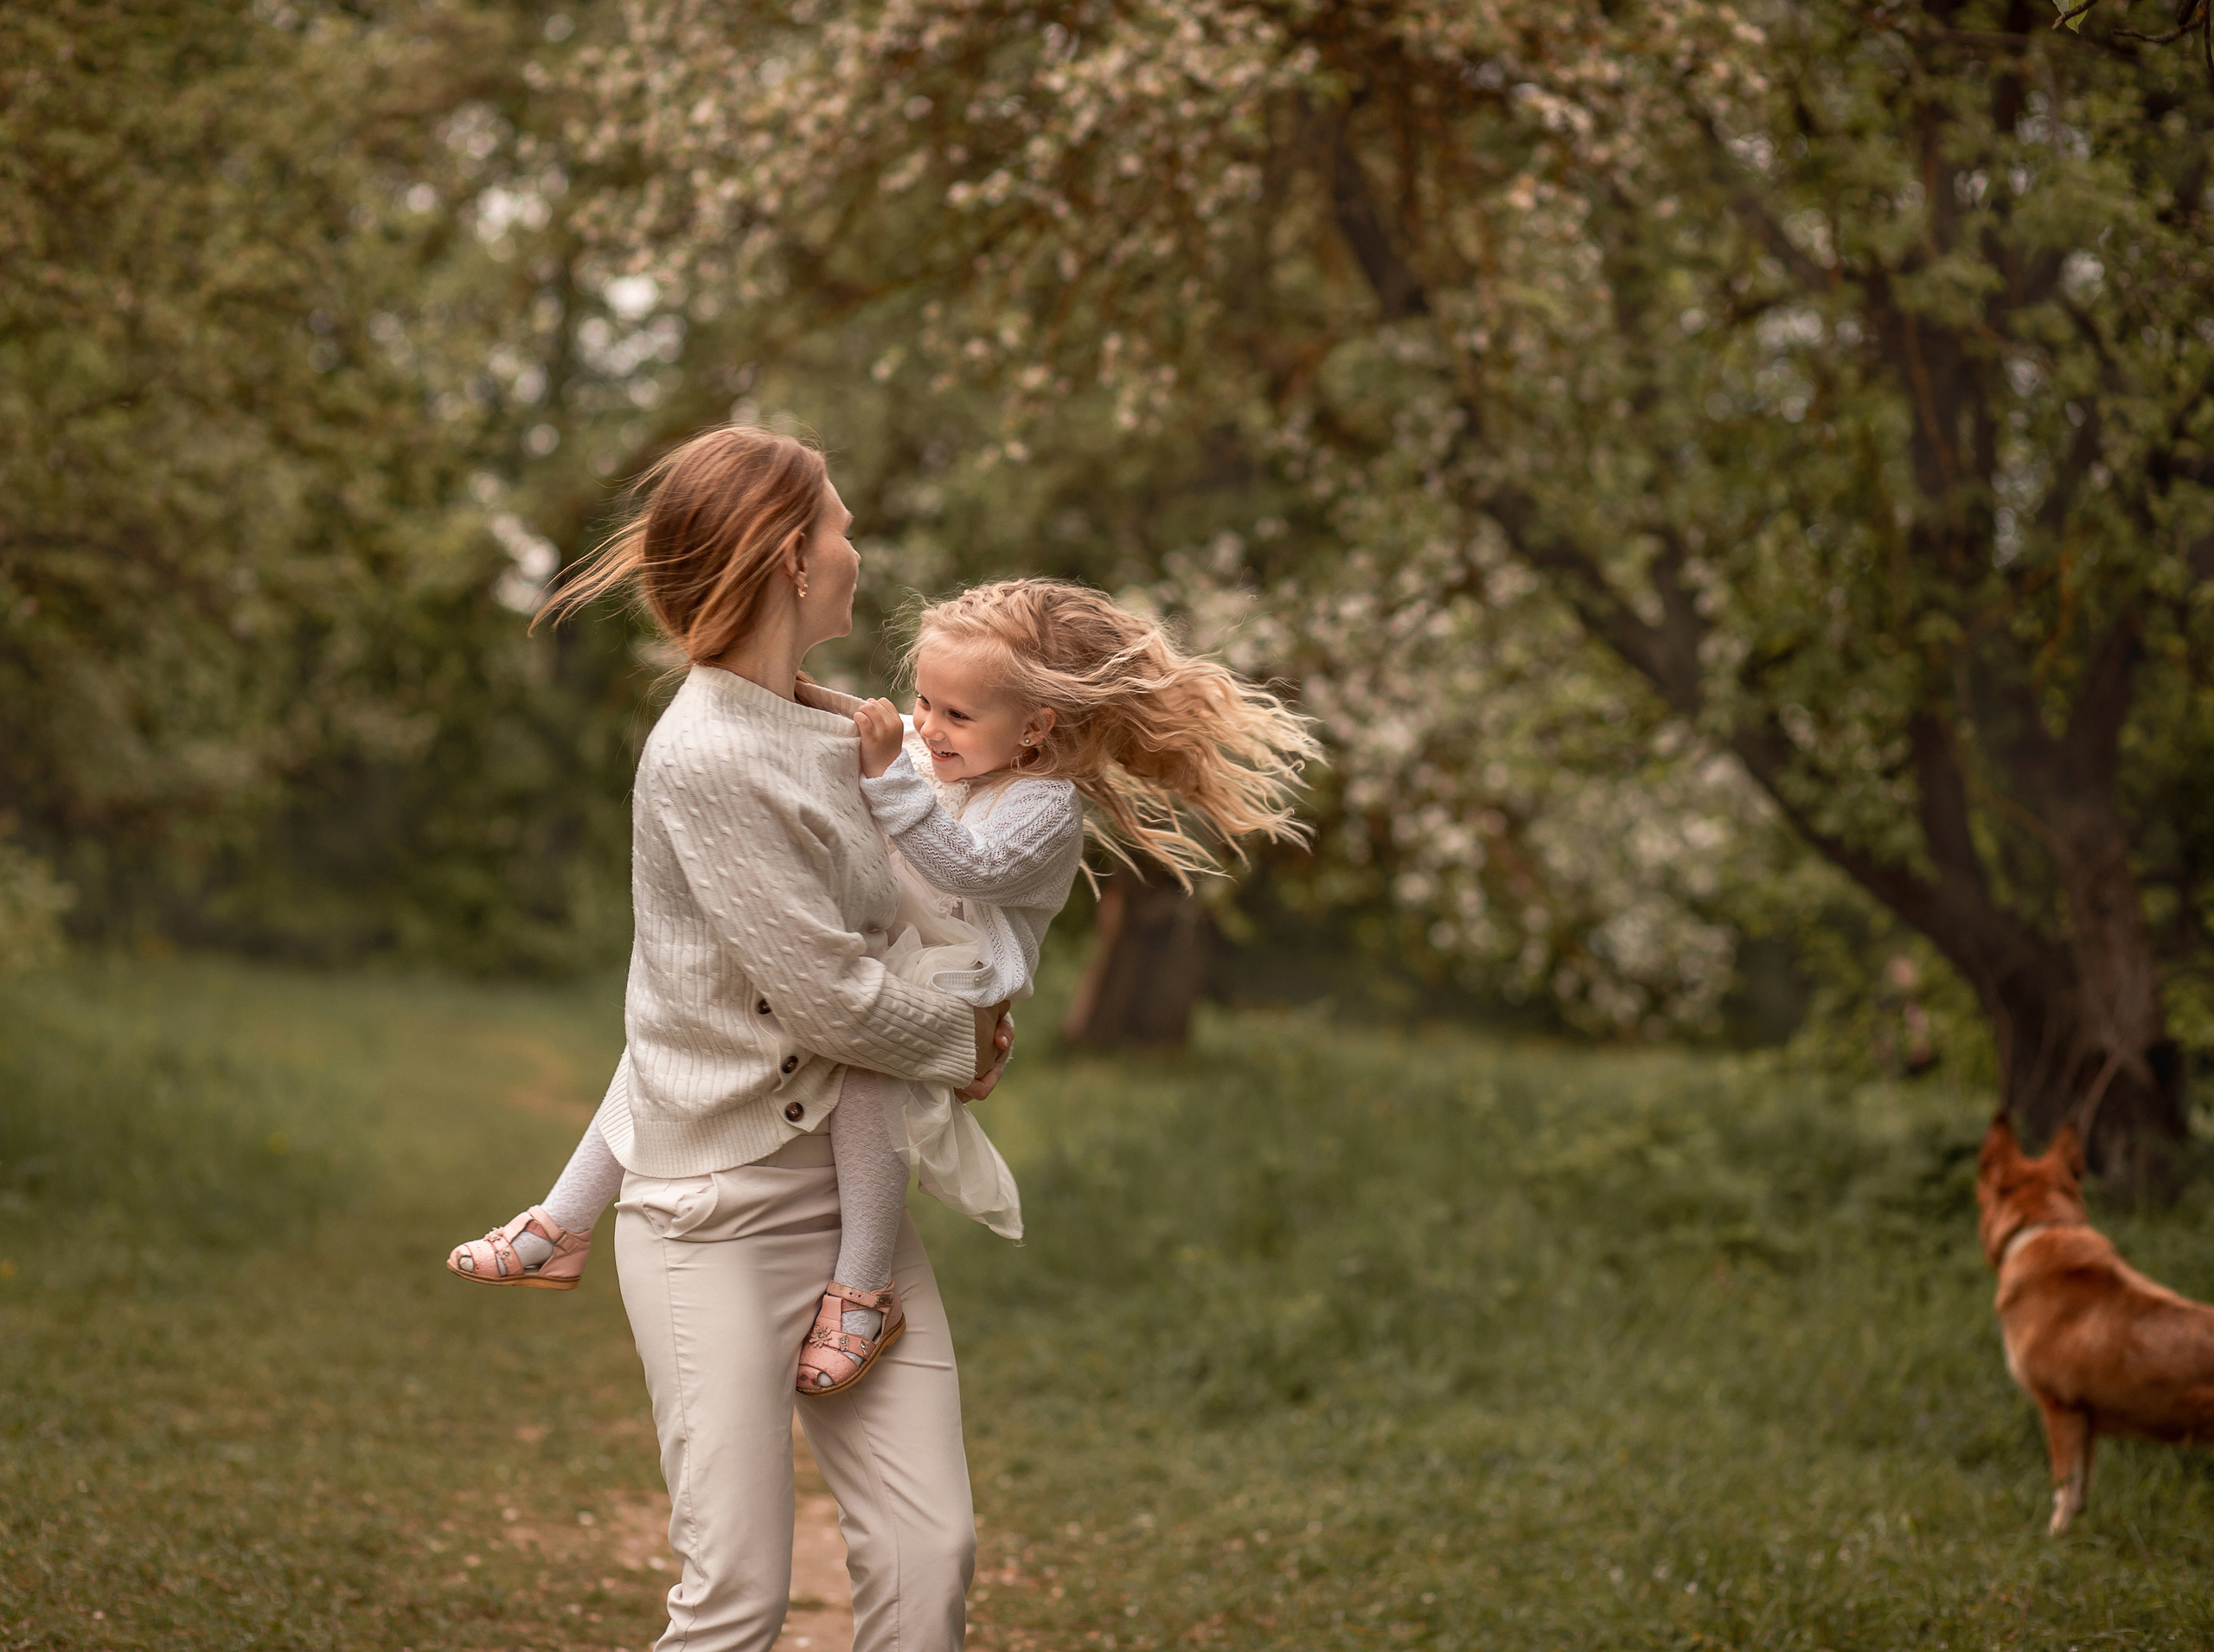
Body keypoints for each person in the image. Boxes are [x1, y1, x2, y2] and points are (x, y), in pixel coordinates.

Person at [447, 424, 1010, 1652]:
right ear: (787, 560)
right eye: (841, 527)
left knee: (932, 1557)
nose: (859, 549)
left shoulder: (850, 729)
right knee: (735, 1602)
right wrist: (970, 1043)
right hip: (712, 1220)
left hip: (859, 1211)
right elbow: (830, 1001)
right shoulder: (702, 757)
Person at [792, 579, 1321, 1394]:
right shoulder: (936, 747)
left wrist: (888, 778)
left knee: (869, 1082)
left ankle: (861, 1292)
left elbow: (971, 867)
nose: (929, 727)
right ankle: (569, 1217)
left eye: (956, 715)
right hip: (904, 950)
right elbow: (874, 724)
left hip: (958, 977)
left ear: (1035, 727)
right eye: (924, 701)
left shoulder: (1042, 804)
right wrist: (795, 694)